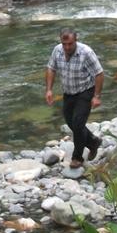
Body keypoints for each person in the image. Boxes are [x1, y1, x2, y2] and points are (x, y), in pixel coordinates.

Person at [45, 29, 104, 169]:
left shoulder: (86, 53)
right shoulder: (57, 51)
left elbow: (99, 74)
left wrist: (96, 96)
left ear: (75, 41)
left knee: (78, 123)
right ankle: (93, 142)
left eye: (70, 44)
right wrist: (49, 89)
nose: (67, 47)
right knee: (71, 123)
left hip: (85, 91)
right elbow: (51, 68)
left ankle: (77, 158)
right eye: (64, 44)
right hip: (68, 92)